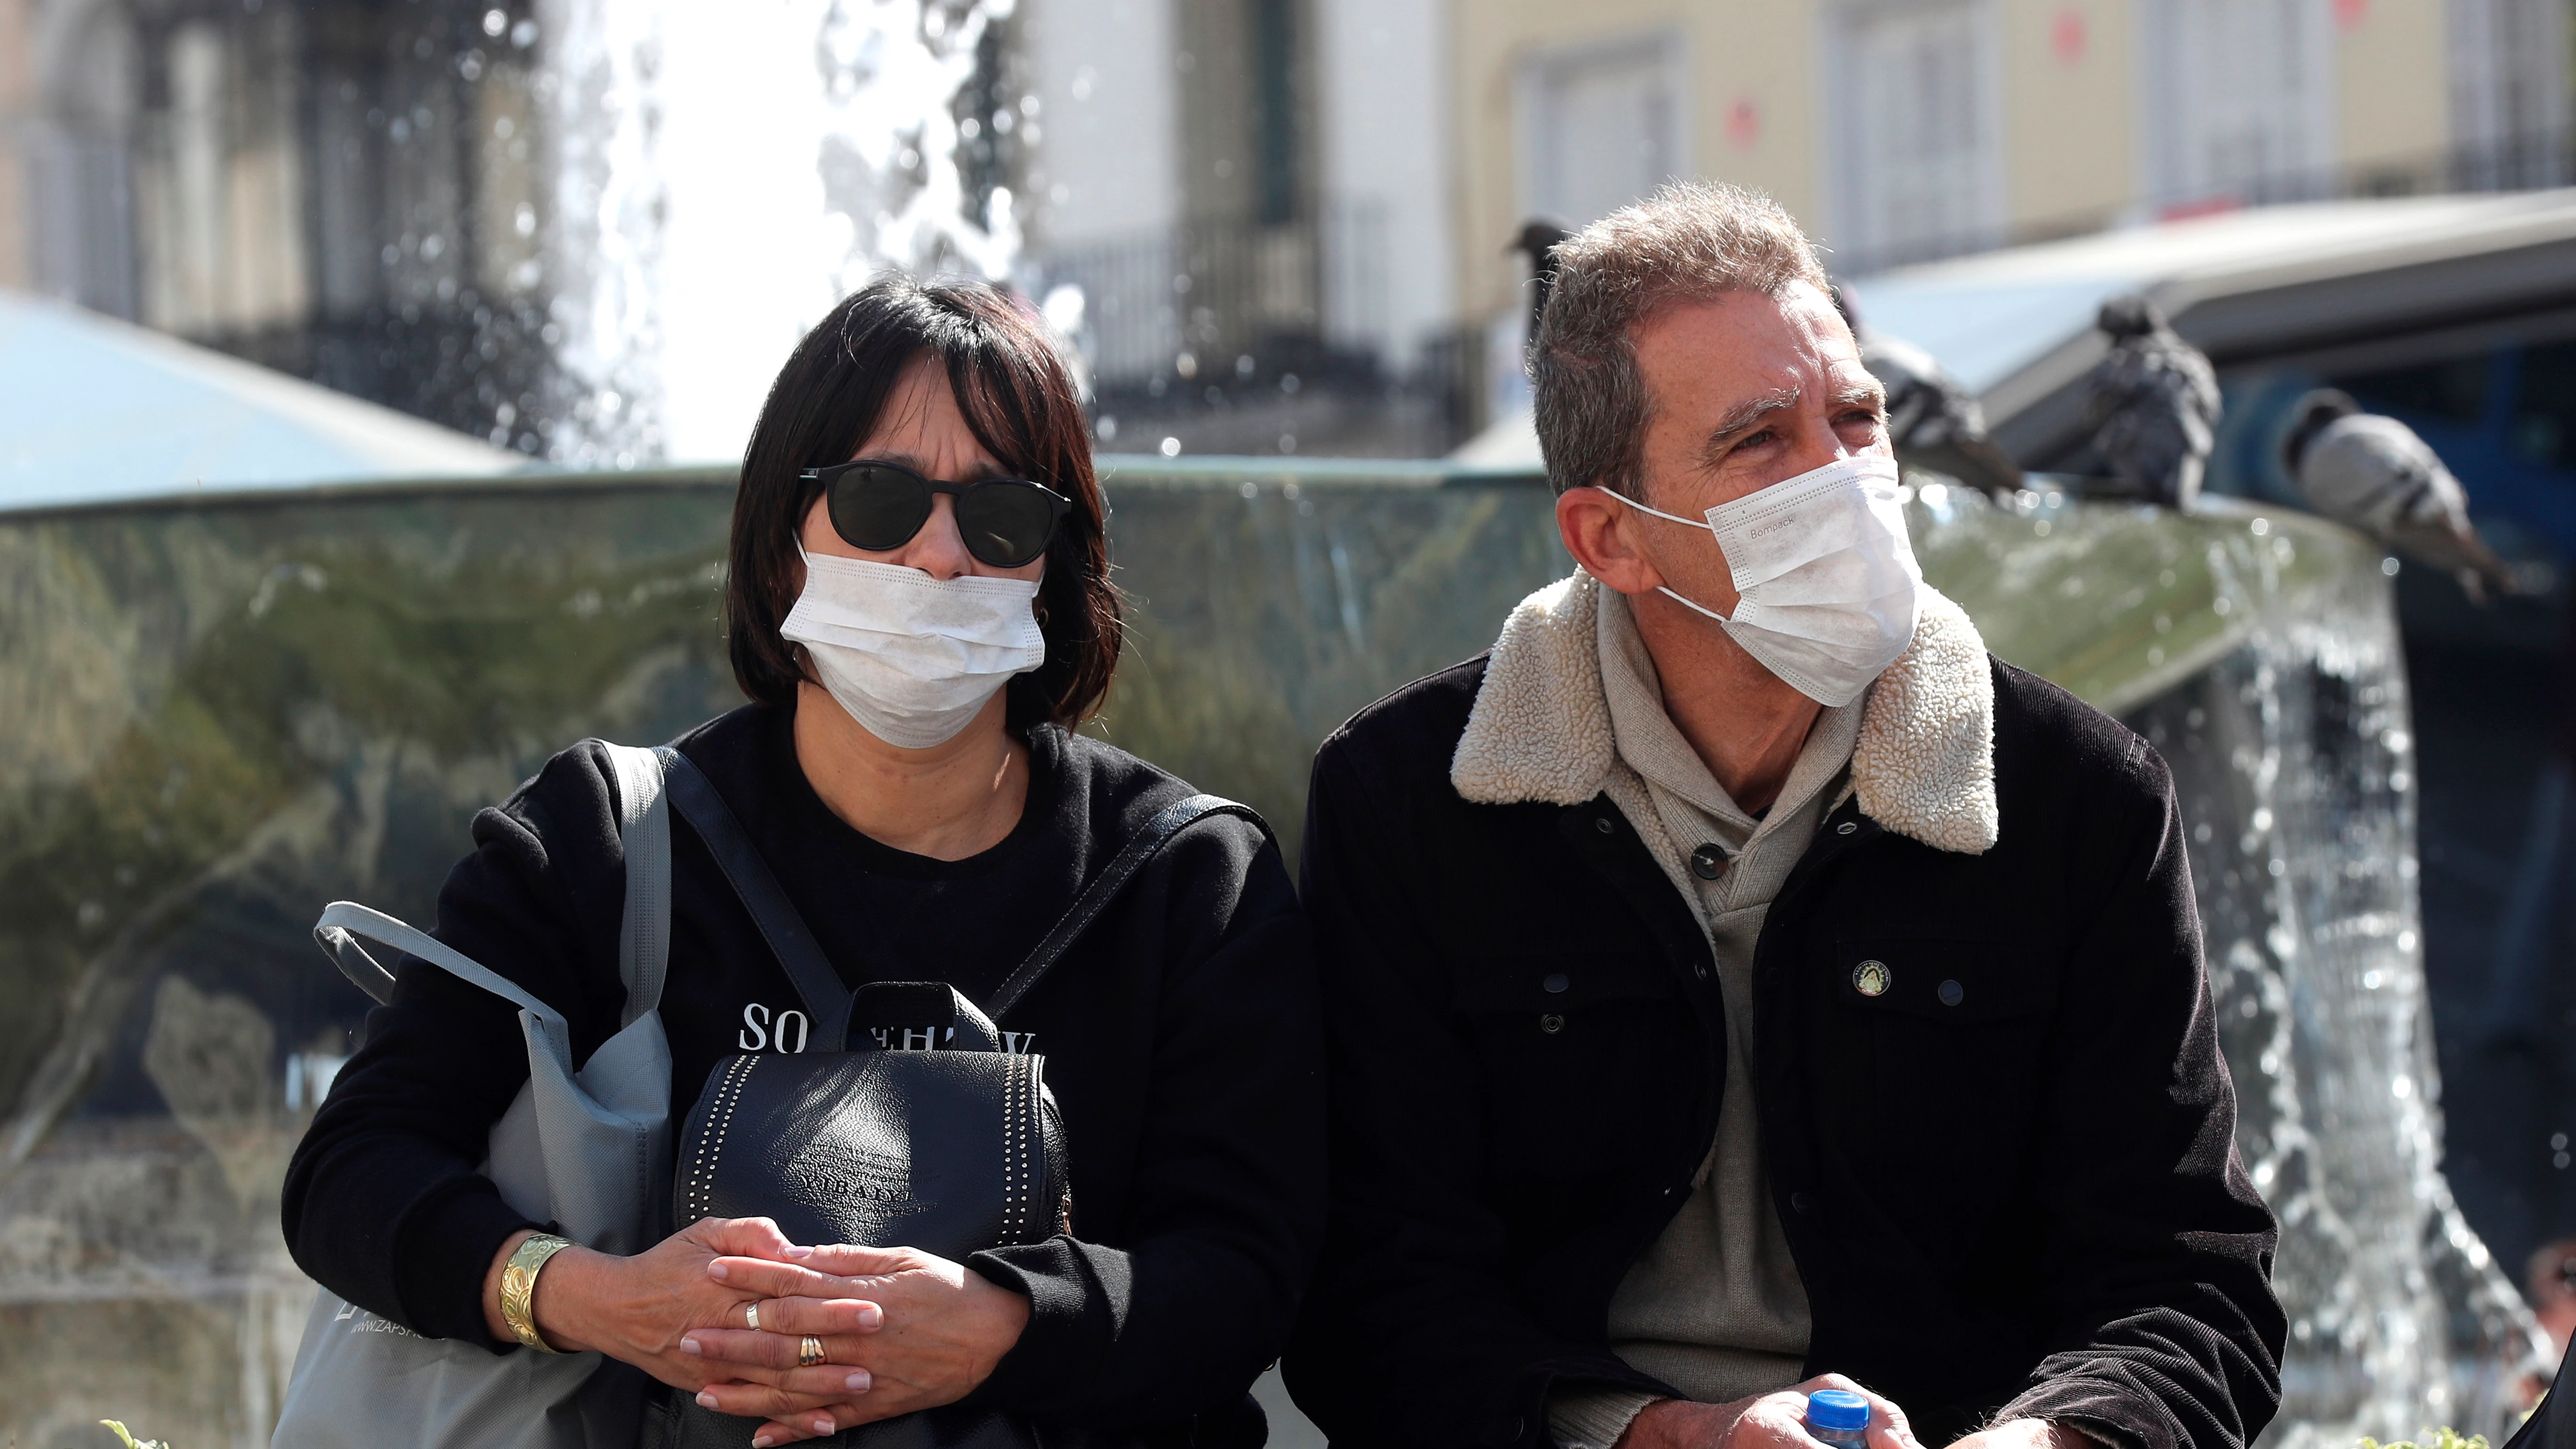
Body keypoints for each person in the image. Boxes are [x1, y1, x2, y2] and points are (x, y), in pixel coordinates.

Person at [1281, 183, 2284, 1449]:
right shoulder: (1409, 800)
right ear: (1610, 536)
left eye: (1855, 416)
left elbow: (2187, 1284)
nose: (1847, 473)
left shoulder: (2080, 795)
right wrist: (1669, 1435)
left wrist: (2030, 1441)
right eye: (1763, 440)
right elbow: (1372, 1299)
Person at [283, 277, 1324, 1448]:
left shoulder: (1186, 879)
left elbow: (1255, 1264)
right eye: (881, 501)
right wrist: (600, 1302)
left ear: (1055, 566)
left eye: (1001, 518)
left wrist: (1001, 1325)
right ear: (786, 538)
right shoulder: (604, 843)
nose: (939, 557)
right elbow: (351, 1170)